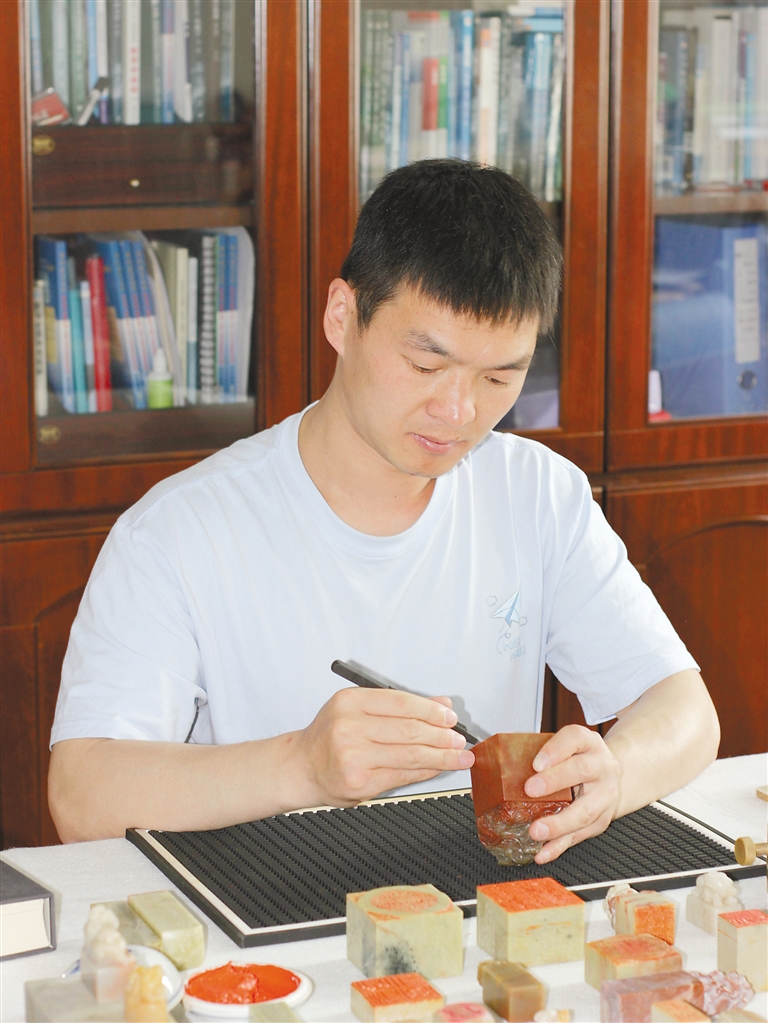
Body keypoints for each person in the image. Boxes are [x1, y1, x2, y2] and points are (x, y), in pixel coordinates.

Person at [49, 160, 719, 859]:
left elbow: (684, 710)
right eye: (426, 366)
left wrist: (615, 774)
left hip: (480, 895)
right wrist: (300, 765)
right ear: (343, 316)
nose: (458, 411)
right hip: (261, 900)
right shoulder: (177, 531)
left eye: (498, 377)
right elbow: (81, 794)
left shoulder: (537, 494)